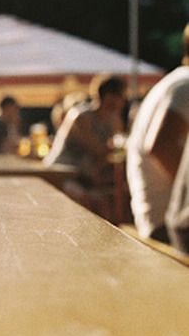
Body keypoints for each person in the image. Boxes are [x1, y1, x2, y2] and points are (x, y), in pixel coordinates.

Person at [128, 22, 189, 242]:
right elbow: (162, 145)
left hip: (159, 220)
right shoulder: (186, 85)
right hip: (171, 226)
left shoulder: (175, 81)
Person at [44, 75, 127, 217]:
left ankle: (107, 238)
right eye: (121, 96)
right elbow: (99, 151)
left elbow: (111, 153)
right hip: (60, 174)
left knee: (113, 198)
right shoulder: (80, 116)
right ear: (108, 96)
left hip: (85, 178)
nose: (124, 101)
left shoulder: (114, 119)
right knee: (83, 199)